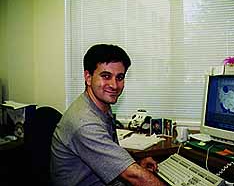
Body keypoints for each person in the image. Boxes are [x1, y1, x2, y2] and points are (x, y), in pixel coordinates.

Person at [50, 44, 165, 186]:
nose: (114, 85)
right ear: (88, 77)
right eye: (106, 76)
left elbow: (110, 152)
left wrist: (135, 163)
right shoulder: (84, 122)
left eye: (120, 77)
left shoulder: (100, 105)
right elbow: (135, 177)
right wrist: (134, 169)